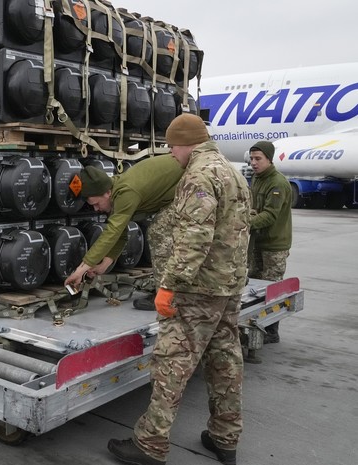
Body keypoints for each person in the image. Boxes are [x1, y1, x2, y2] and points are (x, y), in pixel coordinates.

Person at [107, 113, 251, 465]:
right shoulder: (233, 172)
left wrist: (169, 285)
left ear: (187, 143)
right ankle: (225, 438)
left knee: (172, 364)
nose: (171, 153)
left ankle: (150, 444)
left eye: (172, 146)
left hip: (198, 289)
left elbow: (194, 237)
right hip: (229, 286)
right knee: (225, 361)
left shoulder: (199, 175)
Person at [63, 156, 185, 310]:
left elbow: (112, 232)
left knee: (158, 232)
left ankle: (167, 296)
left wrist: (80, 270)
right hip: (178, 189)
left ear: (107, 193)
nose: (96, 209)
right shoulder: (115, 192)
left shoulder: (126, 192)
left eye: (96, 204)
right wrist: (103, 266)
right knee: (159, 230)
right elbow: (120, 234)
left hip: (190, 183)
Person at [247, 141, 292, 344]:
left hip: (274, 245)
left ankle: (272, 331)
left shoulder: (277, 183)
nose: (253, 163)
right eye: (252, 158)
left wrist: (244, 223)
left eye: (258, 159)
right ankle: (256, 326)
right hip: (258, 241)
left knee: (271, 289)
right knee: (254, 287)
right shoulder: (257, 178)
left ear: (269, 159)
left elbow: (270, 215)